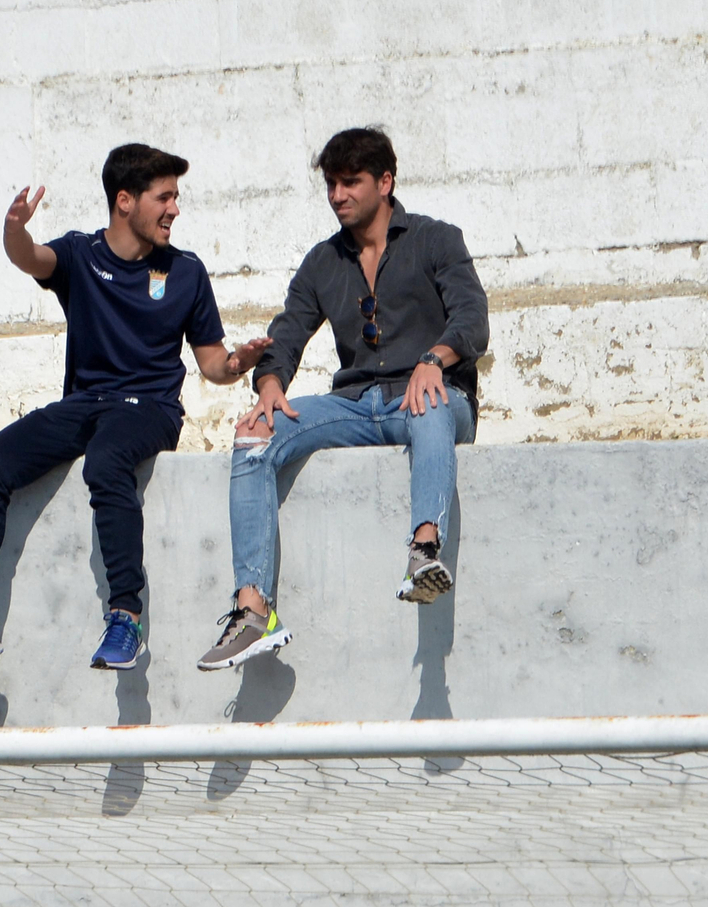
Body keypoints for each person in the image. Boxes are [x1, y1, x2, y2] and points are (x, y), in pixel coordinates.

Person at [0, 143, 272, 676]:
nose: (175, 209)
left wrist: (237, 362)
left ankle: (126, 617)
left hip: (149, 408)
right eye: (165, 197)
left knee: (105, 462)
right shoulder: (81, 256)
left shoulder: (185, 272)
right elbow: (30, 257)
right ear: (125, 201)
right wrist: (14, 229)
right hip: (84, 404)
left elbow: (212, 365)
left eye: (176, 196)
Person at [197, 127, 490, 671]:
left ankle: (424, 553)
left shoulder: (436, 239)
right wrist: (268, 386)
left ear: (386, 181)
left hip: (431, 397)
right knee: (253, 433)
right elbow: (285, 337)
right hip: (357, 404)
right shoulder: (321, 262)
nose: (337, 195)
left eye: (350, 182)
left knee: (428, 402)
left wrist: (435, 359)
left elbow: (472, 319)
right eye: (331, 184)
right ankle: (253, 610)